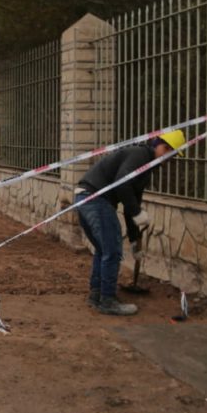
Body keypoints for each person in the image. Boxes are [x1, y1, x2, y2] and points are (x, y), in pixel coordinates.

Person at [75, 130, 185, 316]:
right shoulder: (139, 155)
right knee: (112, 250)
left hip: (85, 198)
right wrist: (137, 212)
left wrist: (135, 239)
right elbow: (122, 184)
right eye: (170, 153)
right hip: (95, 199)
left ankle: (97, 295)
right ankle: (107, 300)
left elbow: (130, 202)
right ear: (163, 147)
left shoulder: (145, 167)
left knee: (104, 250)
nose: (169, 160)